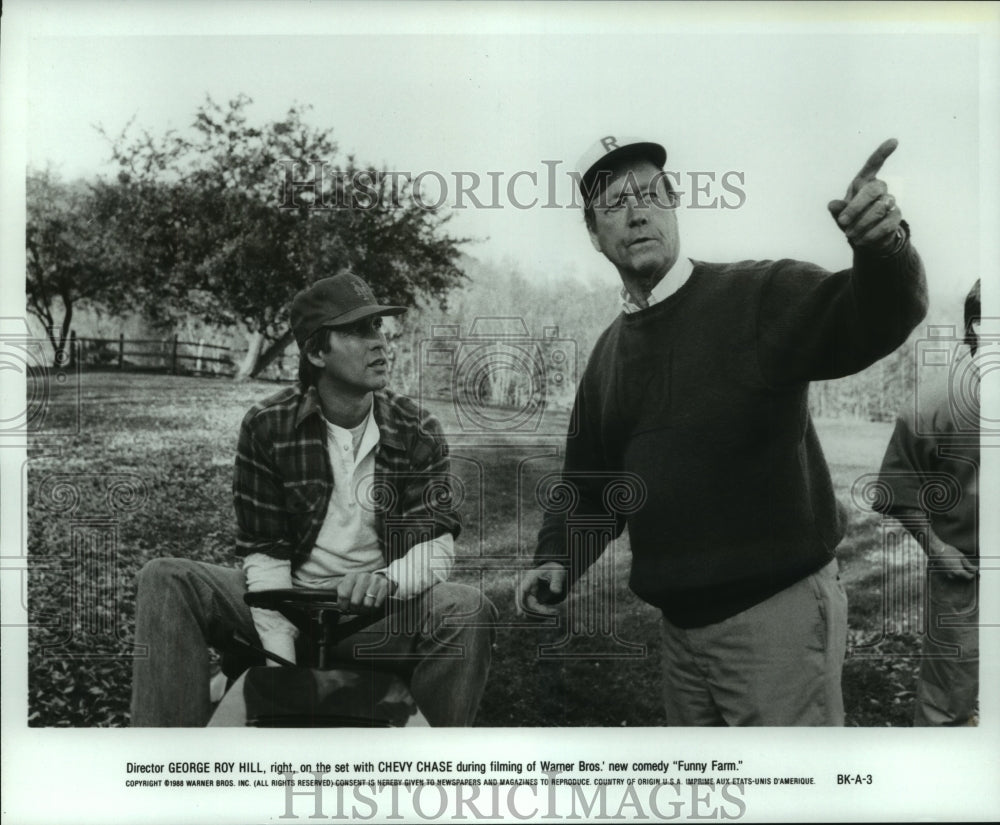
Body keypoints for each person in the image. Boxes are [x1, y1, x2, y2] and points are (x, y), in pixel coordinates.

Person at [519, 135, 928, 726]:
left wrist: (884, 246)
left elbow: (877, 314)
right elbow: (590, 486)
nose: (637, 212)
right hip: (680, 638)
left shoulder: (757, 294)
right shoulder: (608, 354)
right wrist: (557, 557)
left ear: (674, 205)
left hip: (775, 620)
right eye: (613, 204)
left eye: (651, 195)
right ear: (594, 234)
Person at [132, 271, 497, 726]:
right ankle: (167, 772)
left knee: (467, 607)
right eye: (359, 331)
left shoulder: (417, 427)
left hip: (376, 617)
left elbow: (437, 545)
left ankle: (426, 771)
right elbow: (264, 554)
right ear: (316, 352)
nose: (380, 343)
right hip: (283, 605)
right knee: (166, 579)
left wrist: (386, 581)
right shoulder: (268, 425)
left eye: (378, 328)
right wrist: (281, 672)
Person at [872, 280, 980, 726]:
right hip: (966, 576)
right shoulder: (934, 402)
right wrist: (937, 548)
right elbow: (895, 489)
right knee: (947, 704)